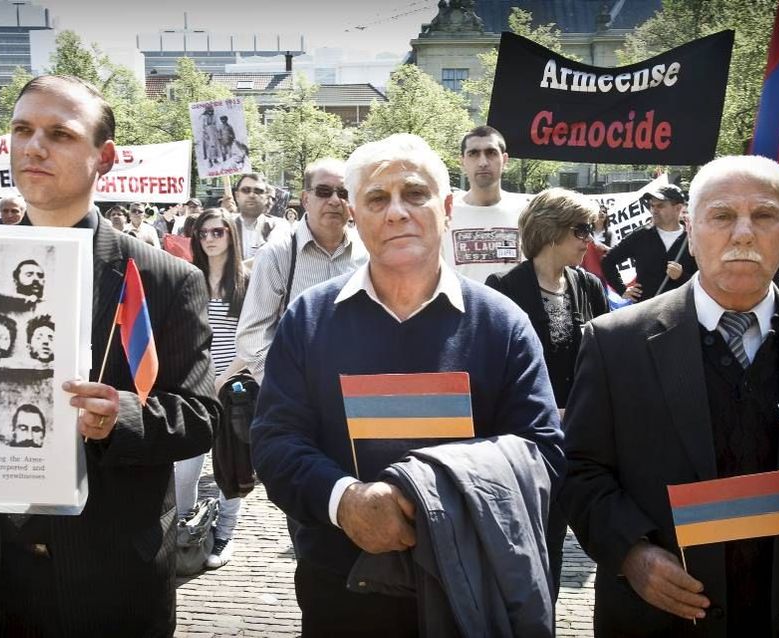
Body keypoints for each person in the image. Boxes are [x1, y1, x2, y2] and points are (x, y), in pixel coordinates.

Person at [0, 73, 218, 637]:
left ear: (106, 157)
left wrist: (115, 416)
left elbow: (198, 419)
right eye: (22, 129)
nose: (34, 146)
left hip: (108, 576)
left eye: (60, 133)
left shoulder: (165, 278)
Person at [250, 134, 563, 635]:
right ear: (355, 214)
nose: (396, 212)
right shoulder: (308, 319)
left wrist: (431, 501)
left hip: (471, 591)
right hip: (343, 592)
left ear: (445, 208)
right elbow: (274, 442)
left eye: (414, 195)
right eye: (377, 199)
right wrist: (344, 500)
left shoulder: (502, 323)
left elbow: (541, 451)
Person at [561, 155, 779, 636]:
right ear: (691, 231)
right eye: (721, 216)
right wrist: (631, 553)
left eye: (763, 215)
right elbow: (578, 468)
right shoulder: (614, 344)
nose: (743, 234)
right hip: (660, 620)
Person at [485, 187, 609, 599]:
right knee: (525, 552)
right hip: (525, 445)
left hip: (579, 442)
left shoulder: (589, 286)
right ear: (550, 229)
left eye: (589, 230)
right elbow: (494, 371)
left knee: (555, 551)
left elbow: (604, 360)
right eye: (580, 229)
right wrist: (542, 410)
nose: (587, 239)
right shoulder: (503, 286)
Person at [234, 158, 367, 383]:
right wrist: (282, 384)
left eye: (343, 193)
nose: (335, 200)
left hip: (359, 394)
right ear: (305, 199)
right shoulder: (278, 253)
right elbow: (252, 335)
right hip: (298, 396)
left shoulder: (368, 253)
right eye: (324, 192)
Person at [175, 208, 249, 569]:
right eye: (203, 232)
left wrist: (224, 378)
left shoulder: (247, 282)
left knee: (231, 470)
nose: (210, 238)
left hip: (234, 388)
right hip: (195, 389)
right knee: (184, 472)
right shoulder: (190, 277)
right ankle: (187, 530)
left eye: (218, 232)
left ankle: (224, 534)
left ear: (231, 235)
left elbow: (255, 340)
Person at [443, 126, 527, 282]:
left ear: (505, 160)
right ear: (462, 161)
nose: (483, 162)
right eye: (473, 153)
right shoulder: (444, 213)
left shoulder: (526, 213)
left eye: (491, 153)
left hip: (511, 306)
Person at [601, 184, 697, 303]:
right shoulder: (640, 235)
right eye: (652, 205)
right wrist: (622, 289)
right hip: (645, 314)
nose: (654, 210)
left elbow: (705, 280)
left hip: (681, 313)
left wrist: (681, 276)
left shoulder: (693, 238)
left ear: (678, 208)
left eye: (660, 206)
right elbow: (607, 261)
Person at [231, 173, 286, 259]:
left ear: (266, 197)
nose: (252, 195)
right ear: (237, 196)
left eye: (258, 191)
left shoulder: (279, 226)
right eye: (246, 190)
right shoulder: (224, 226)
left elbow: (274, 257)